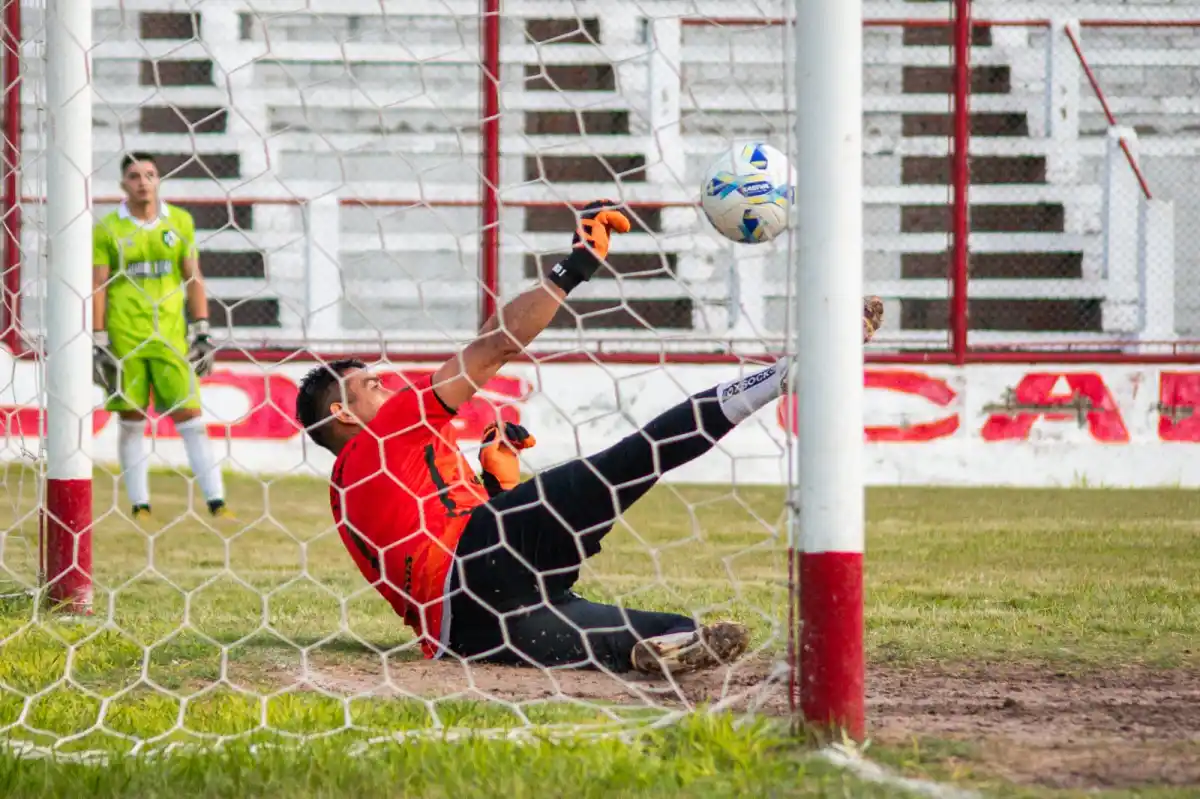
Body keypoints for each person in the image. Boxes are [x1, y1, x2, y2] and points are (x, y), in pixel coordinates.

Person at [295, 201, 885, 675]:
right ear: (343, 412)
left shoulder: (345, 490)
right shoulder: (391, 427)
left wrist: (496, 488)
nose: (391, 384)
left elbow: (424, 537)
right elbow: (496, 344)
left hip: (466, 632)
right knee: (633, 459)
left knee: (671, 633)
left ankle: (647, 650)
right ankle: (786, 373)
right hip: (479, 561)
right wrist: (574, 266)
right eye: (373, 384)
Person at [92, 153, 227, 519]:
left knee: (191, 417)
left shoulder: (179, 221)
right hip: (125, 336)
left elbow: (192, 276)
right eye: (134, 176)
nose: (143, 182)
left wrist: (202, 330)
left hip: (170, 336)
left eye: (150, 175)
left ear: (159, 180)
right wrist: (99, 339)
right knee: (132, 420)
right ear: (123, 184)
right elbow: (98, 285)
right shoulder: (107, 228)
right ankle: (140, 505)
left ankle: (217, 502)